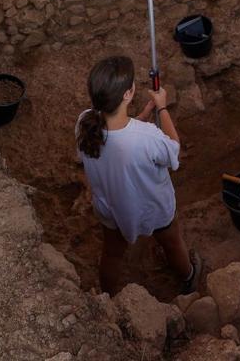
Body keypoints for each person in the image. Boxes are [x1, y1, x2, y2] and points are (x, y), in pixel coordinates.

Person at [76, 55, 201, 294]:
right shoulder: (146, 137)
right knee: (172, 242)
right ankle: (188, 276)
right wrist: (162, 107)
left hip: (110, 207)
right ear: (127, 94)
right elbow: (173, 150)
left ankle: (108, 297)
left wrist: (142, 115)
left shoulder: (85, 122)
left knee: (111, 253)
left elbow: (118, 135)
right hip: (151, 207)